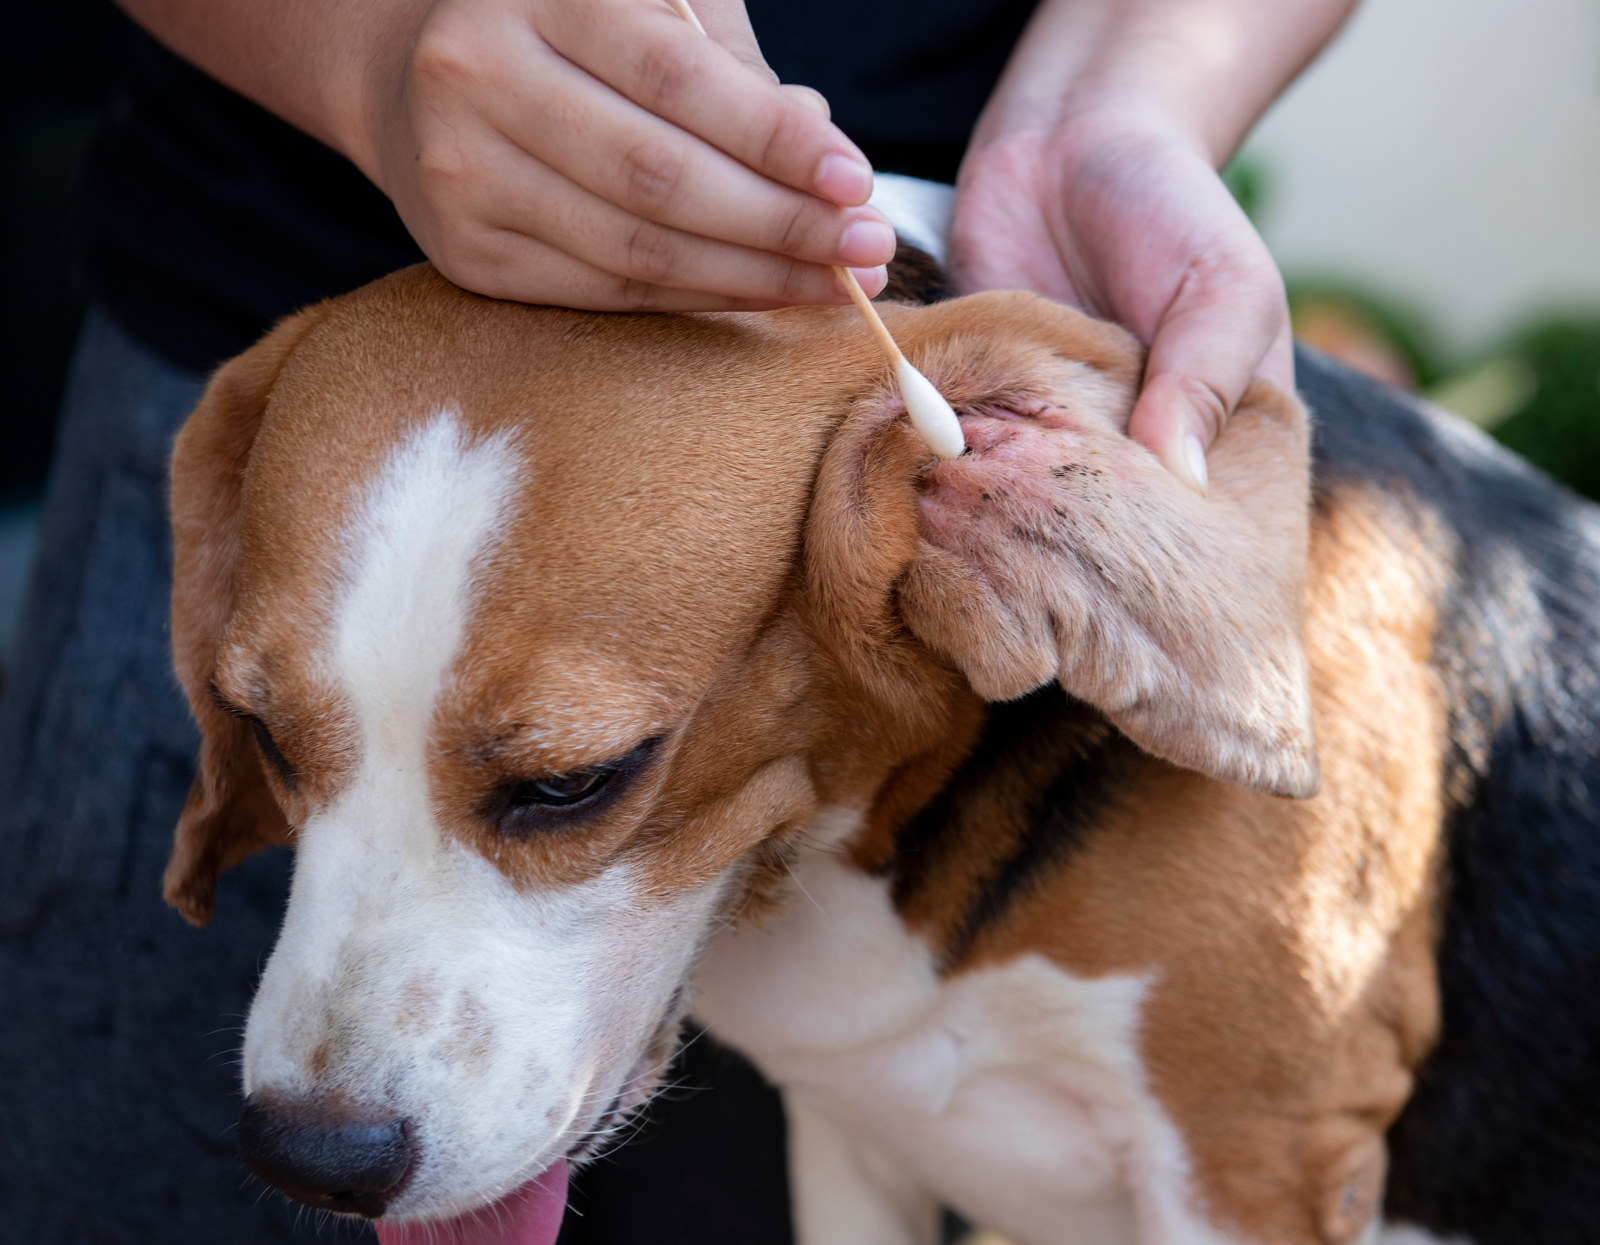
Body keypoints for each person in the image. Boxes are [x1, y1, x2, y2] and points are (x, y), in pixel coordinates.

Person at [0, 0, 1356, 1240]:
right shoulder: (271, 468)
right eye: (281, 735)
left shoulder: (945, 479)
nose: (318, 1081)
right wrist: (369, 50)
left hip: (929, 319)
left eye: (558, 780)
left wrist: (1120, 93)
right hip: (273, 304)